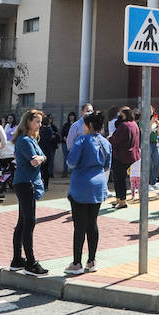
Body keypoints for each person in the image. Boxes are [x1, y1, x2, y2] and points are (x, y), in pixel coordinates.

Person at [64, 111, 110, 273]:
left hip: (81, 185)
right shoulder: (105, 142)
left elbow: (71, 162)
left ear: (89, 125)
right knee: (93, 223)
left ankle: (76, 263)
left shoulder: (81, 141)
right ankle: (92, 261)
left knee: (79, 225)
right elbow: (107, 165)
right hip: (98, 185)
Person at [9, 109, 49, 276]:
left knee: (22, 222)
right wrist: (41, 158)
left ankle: (17, 259)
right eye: (37, 121)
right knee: (29, 222)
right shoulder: (25, 140)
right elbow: (35, 160)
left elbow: (42, 157)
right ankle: (30, 263)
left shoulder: (30, 139)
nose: (40, 124)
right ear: (28, 122)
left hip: (26, 182)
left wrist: (42, 158)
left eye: (40, 122)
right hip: (26, 183)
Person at [108, 107, 140, 208]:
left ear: (124, 115)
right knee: (120, 178)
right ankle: (119, 199)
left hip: (122, 156)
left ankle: (122, 201)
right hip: (132, 155)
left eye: (120, 114)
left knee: (119, 179)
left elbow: (116, 139)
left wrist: (109, 139)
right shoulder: (134, 124)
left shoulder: (124, 126)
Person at [39, 114, 60, 190]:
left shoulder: (40, 130)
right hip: (47, 151)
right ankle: (46, 185)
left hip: (40, 150)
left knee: (40, 168)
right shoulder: (50, 130)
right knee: (46, 168)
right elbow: (53, 138)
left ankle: (41, 183)